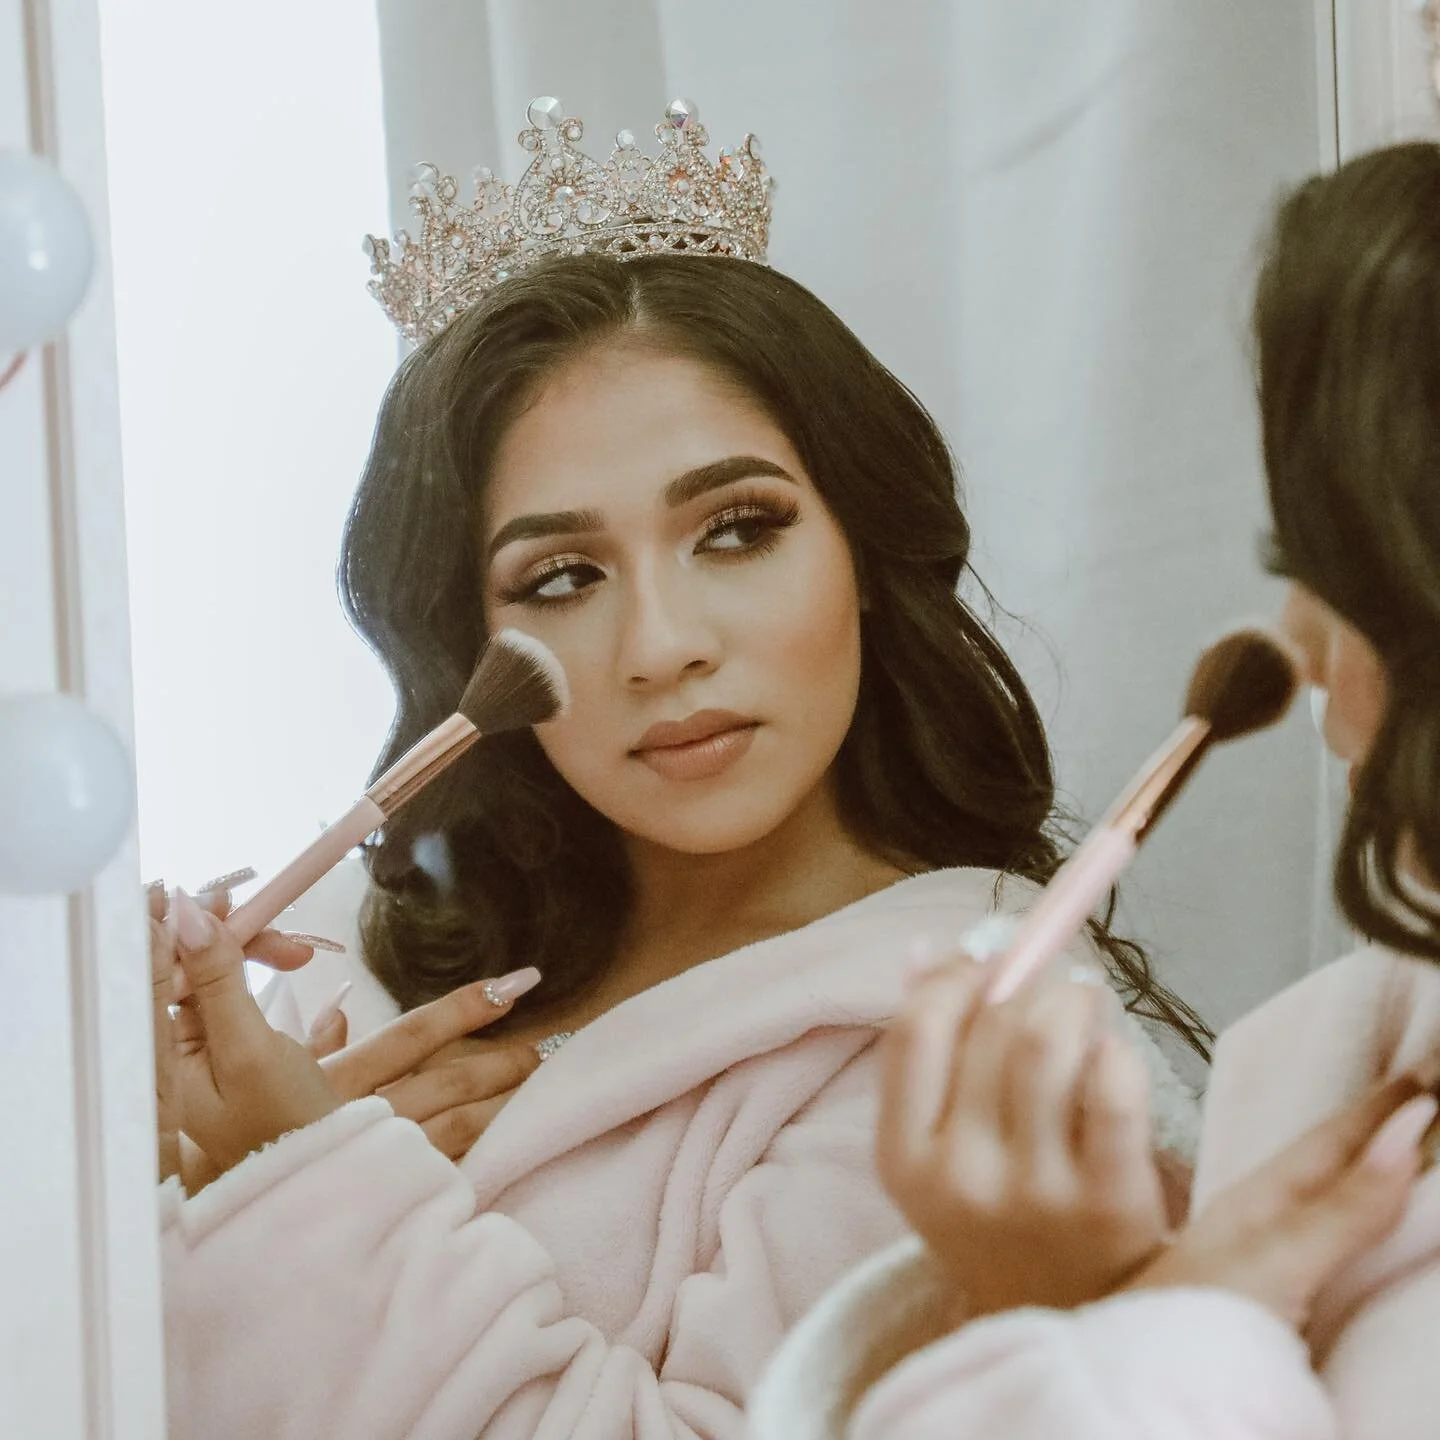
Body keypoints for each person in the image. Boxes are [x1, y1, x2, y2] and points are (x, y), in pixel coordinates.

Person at [150, 98, 1203, 1439]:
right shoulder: (365, 979)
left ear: (865, 558)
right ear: (476, 641)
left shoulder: (970, 1042)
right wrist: (144, 1167)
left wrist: (302, 1185)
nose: (662, 647)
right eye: (565, 576)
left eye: (739, 531)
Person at [749, 140, 1440, 1440]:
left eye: (1343, 572)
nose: (1298, 654)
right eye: (557, 577)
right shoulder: (1330, 1065)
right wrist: (1131, 1306)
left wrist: (1094, 1327)